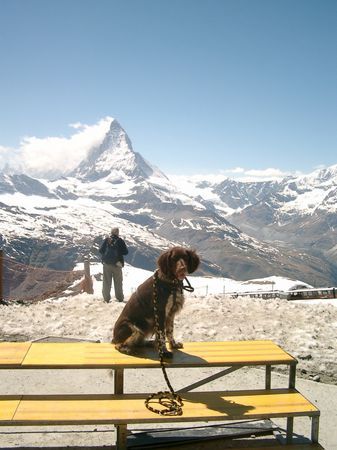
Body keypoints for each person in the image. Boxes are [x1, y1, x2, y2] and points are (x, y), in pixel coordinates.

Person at [99, 227, 128, 302]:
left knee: (106, 282)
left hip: (107, 264)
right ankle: (119, 298)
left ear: (111, 232)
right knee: (118, 282)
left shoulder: (107, 239)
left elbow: (101, 250)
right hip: (117, 265)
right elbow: (125, 252)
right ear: (117, 233)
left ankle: (106, 299)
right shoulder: (120, 241)